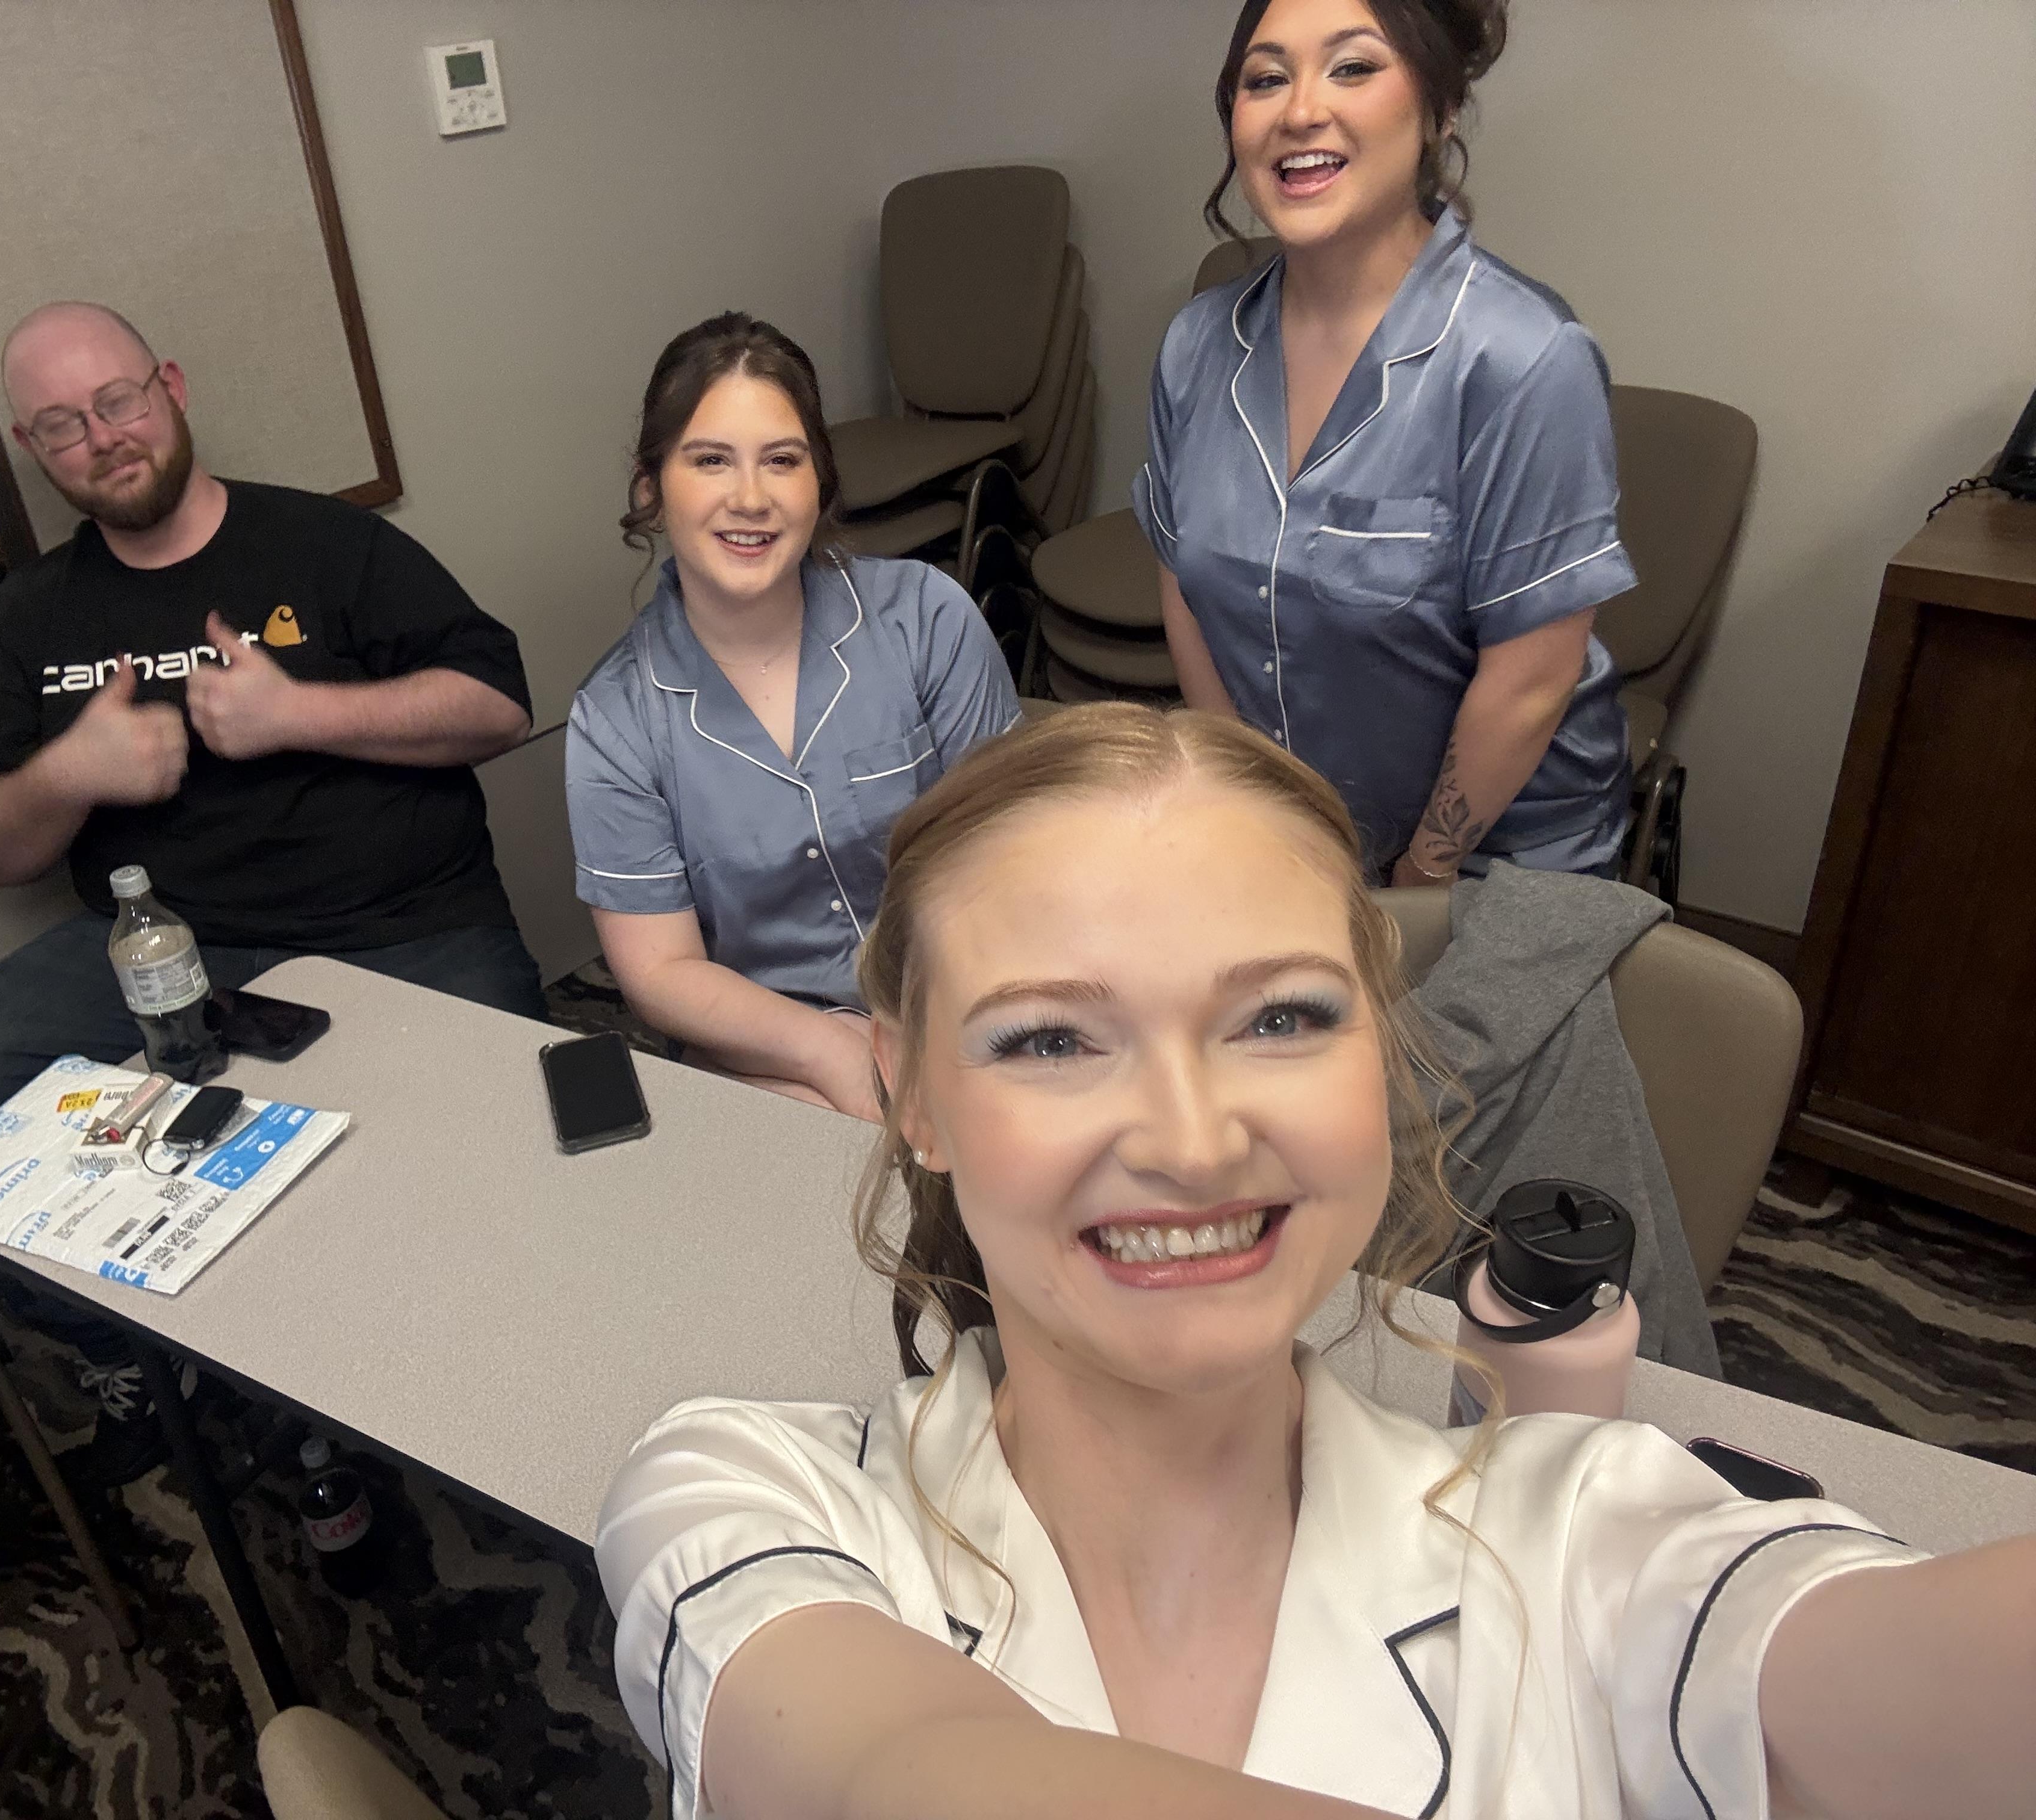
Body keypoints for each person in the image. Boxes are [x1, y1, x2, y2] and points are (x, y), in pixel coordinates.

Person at [596, 702, 2034, 1820]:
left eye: (1281, 1019)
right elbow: (894, 1774)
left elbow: (1916, 1683)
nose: (1193, 1141)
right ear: (913, 1093)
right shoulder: (748, 1493)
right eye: (1049, 1038)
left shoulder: (1594, 1527)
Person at [0, 300, 545, 1479]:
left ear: (172, 388)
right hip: (164, 947)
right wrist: (70, 774)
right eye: (63, 424)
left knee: (496, 1124)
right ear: (33, 448)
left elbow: (498, 707)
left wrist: (301, 713)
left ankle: (445, 1366)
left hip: (402, 925)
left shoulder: (327, 545)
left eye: (119, 400)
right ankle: (155, 1347)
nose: (103, 437)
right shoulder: (31, 615)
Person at [1137, 0, 1634, 884]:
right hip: (1291, 838)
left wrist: (1417, 878)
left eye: (1353, 68)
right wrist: (1250, 811)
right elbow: (1185, 588)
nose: (1300, 111)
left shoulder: (1523, 358)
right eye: (1266, 79)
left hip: (1489, 860)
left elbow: (1531, 680)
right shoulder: (1197, 345)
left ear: (1441, 110)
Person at [565, 313, 1017, 1118]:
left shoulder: (927, 619)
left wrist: (940, 1032)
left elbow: (1014, 854)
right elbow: (661, 971)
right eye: (710, 461)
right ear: (650, 489)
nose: (751, 499)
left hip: (969, 992)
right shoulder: (615, 721)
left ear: (821, 482)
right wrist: (832, 1052)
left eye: (782, 460)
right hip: (770, 1040)